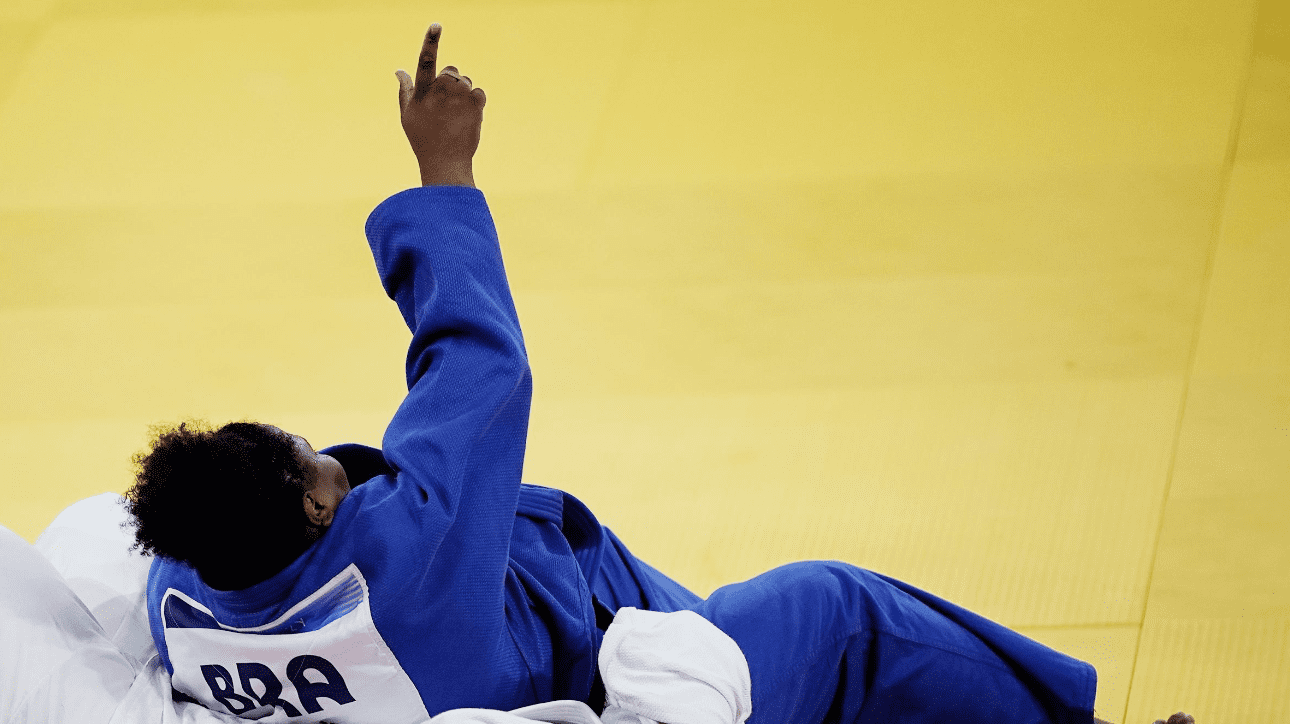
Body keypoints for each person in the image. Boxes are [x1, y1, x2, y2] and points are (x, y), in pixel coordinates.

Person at [123, 21, 1193, 724]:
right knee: (836, 614)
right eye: (320, 460)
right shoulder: (410, 545)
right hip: (603, 678)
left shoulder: (183, 600)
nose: (335, 460)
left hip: (521, 657)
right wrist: (443, 168)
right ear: (316, 503)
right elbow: (477, 362)